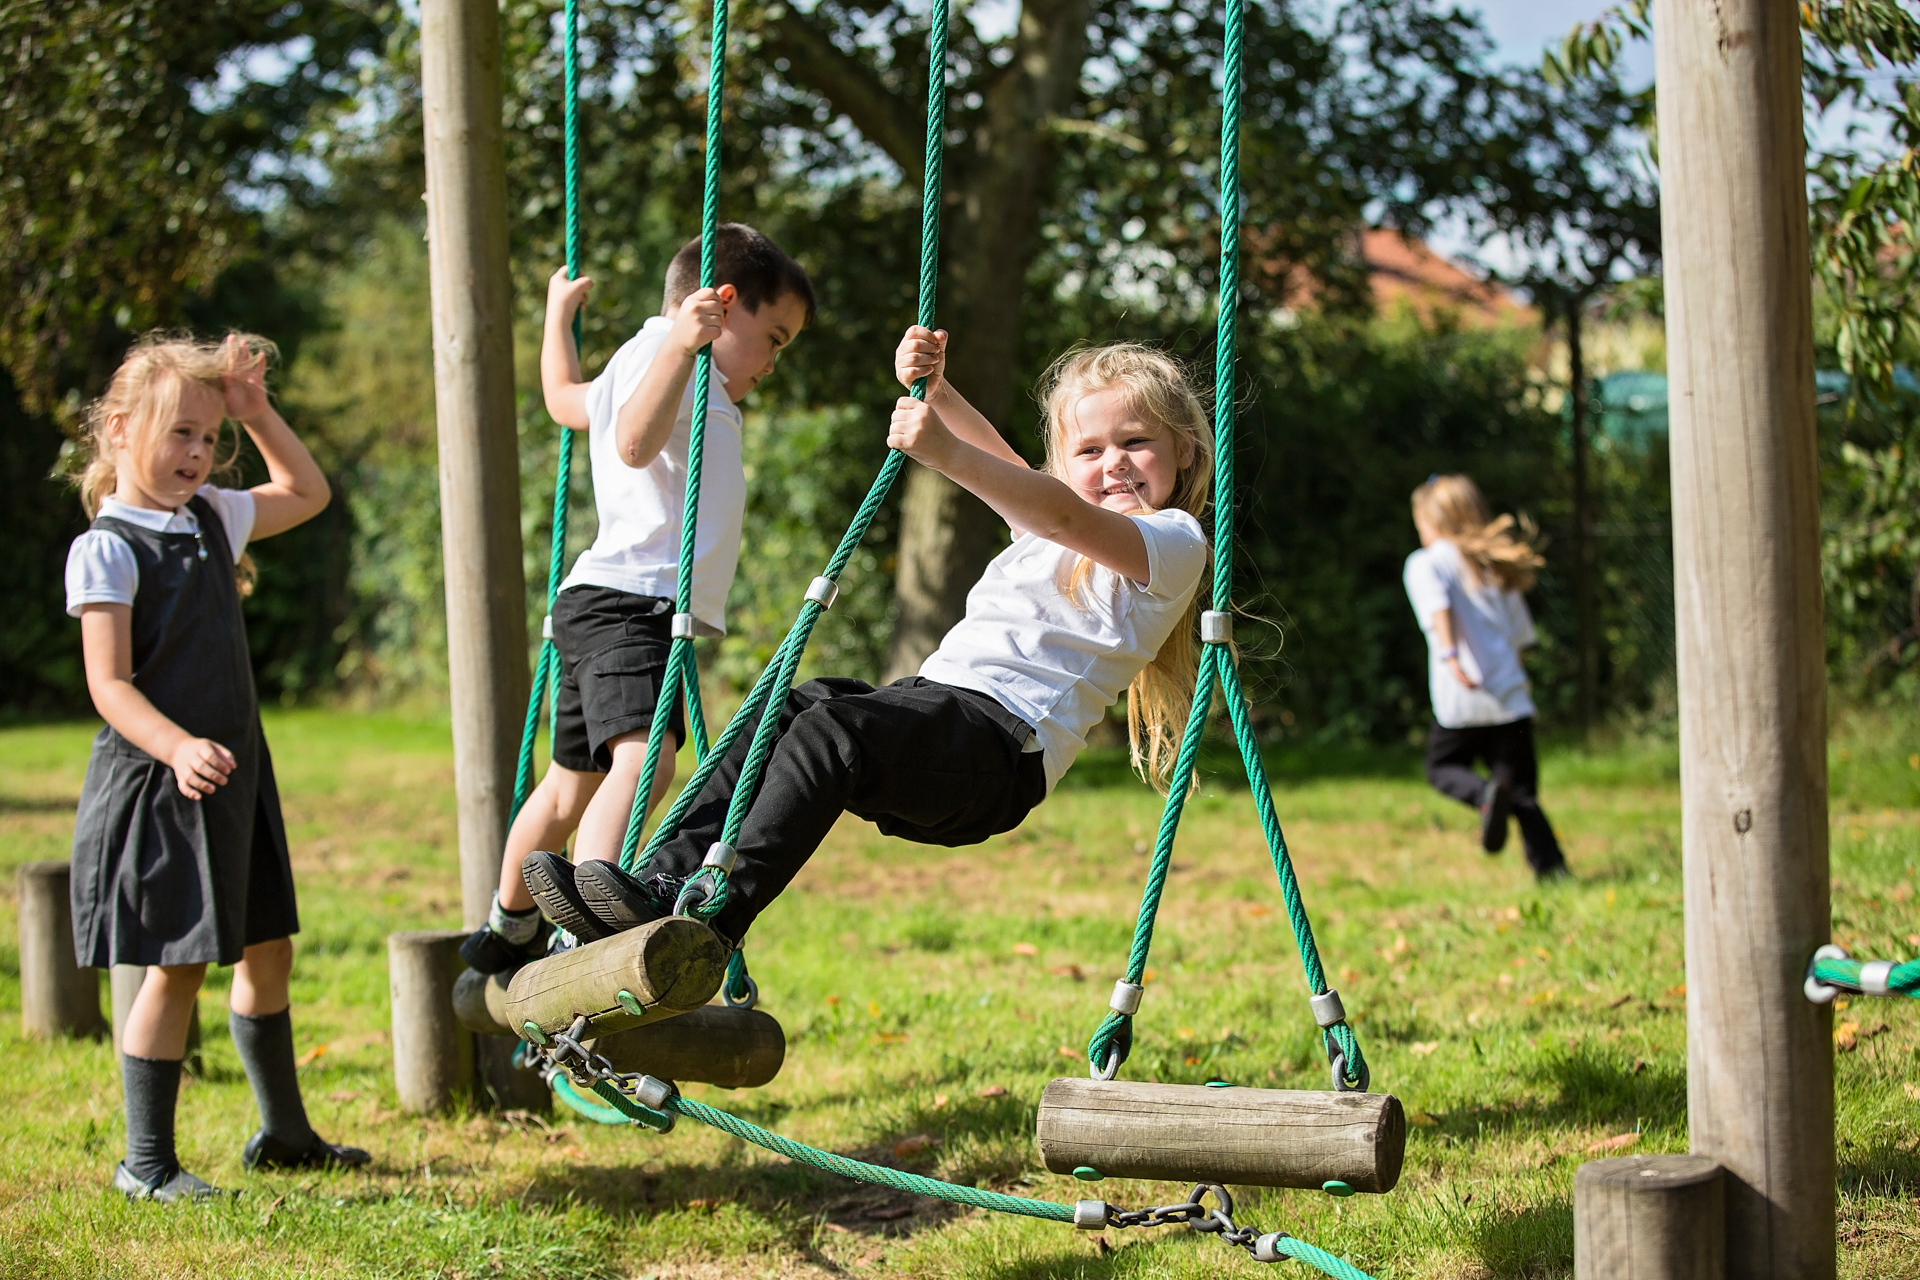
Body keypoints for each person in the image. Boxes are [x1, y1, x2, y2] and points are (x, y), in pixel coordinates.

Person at [522, 331, 1215, 947]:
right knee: (794, 707)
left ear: (1182, 450)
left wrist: (938, 451)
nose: (1114, 464)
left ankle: (711, 920)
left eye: (1135, 443)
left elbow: (1058, 510)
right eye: (1089, 450)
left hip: (1000, 749)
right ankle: (658, 881)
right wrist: (939, 393)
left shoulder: (1171, 541)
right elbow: (1024, 479)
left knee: (834, 733)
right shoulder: (1051, 520)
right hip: (940, 712)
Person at [461, 223, 815, 969]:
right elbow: (631, 441)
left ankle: (508, 923)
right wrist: (685, 349)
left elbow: (565, 401)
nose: (775, 363)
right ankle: (587, 914)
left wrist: (557, 320)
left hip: (595, 600)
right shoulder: (677, 364)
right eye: (775, 338)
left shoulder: (637, 357)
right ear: (720, 308)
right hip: (636, 602)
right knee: (644, 763)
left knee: (568, 785)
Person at [65, 333, 363, 1202]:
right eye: (179, 435)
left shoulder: (216, 516)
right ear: (119, 432)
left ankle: (285, 1133)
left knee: (267, 946)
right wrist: (177, 746)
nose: (198, 453)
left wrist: (257, 410)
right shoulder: (109, 549)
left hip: (234, 781)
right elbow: (109, 684)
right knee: (177, 966)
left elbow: (308, 492)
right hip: (163, 787)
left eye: (207, 436)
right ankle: (146, 1163)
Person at [1402, 473, 1568, 880]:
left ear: (1434, 522)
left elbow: (1438, 608)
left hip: (1462, 695)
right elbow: (1518, 637)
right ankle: (1552, 870)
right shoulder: (1496, 564)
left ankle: (1483, 794)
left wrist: (1450, 654)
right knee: (1523, 794)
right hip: (1507, 695)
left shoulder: (1425, 562)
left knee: (1442, 767)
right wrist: (1517, 681)